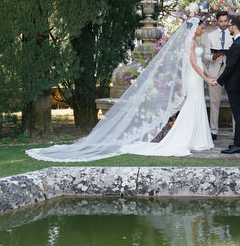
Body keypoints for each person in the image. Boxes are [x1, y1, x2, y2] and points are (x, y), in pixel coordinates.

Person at [26, 18, 216, 161]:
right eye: (201, 26)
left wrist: (210, 76)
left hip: (199, 78)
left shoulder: (198, 43)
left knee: (197, 105)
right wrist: (206, 78)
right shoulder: (189, 43)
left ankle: (199, 139)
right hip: (193, 78)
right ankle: (189, 139)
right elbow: (193, 64)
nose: (202, 28)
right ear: (194, 28)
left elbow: (202, 62)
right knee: (193, 105)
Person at [217, 16, 240, 154]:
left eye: (229, 25)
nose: (228, 27)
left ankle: (238, 145)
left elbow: (230, 66)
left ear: (234, 27)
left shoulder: (238, 44)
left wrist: (219, 80)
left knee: (238, 114)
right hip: (239, 82)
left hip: (234, 83)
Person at [203, 11, 233, 139]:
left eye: (225, 21)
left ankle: (236, 132)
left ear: (228, 20)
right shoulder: (210, 35)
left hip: (230, 71)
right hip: (215, 72)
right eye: (221, 21)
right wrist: (213, 57)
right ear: (217, 21)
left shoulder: (233, 34)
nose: (223, 23)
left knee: (234, 102)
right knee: (214, 102)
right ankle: (213, 131)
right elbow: (205, 55)